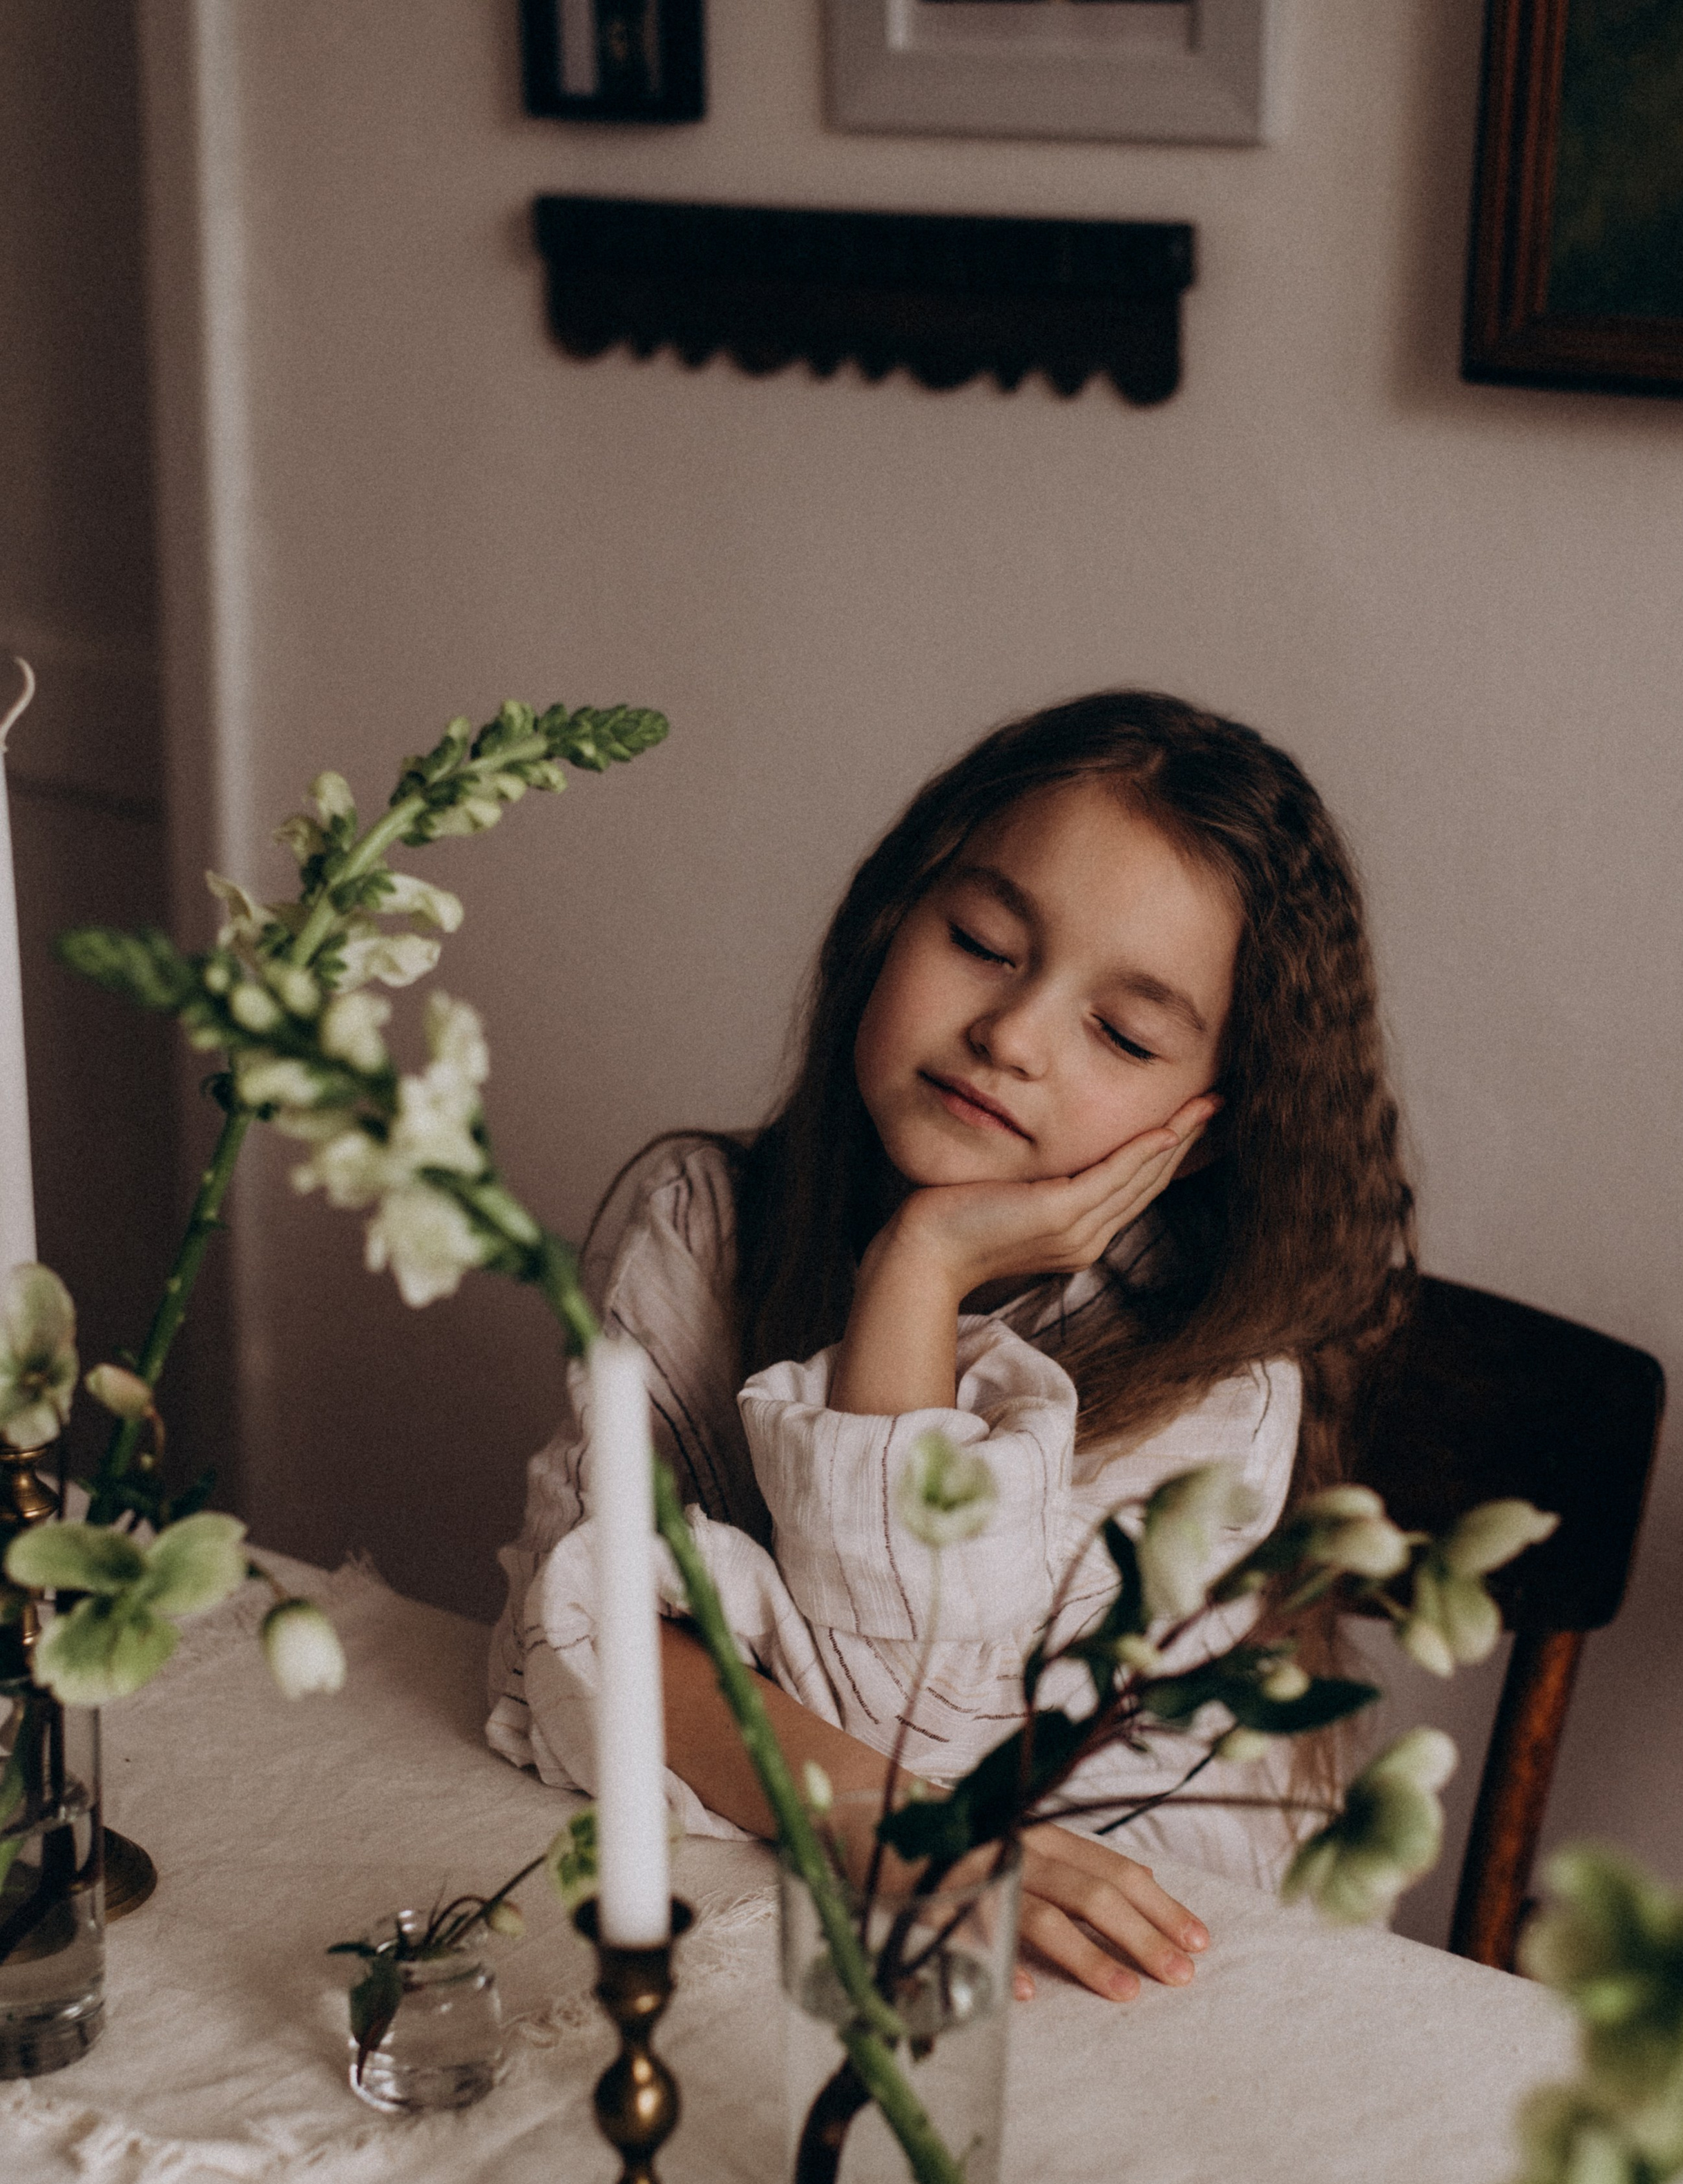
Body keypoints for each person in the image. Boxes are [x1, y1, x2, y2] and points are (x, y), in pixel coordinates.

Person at [488, 692, 1414, 2003]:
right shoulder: (700, 1221)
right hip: (779, 1938)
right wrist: (914, 1266)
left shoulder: (1214, 1397)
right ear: (889, 917)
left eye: (1124, 1032)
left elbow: (899, 1725)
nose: (1013, 1035)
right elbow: (572, 1636)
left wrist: (919, 1277)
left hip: (1119, 2004)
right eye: (983, 942)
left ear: (1199, 1126)